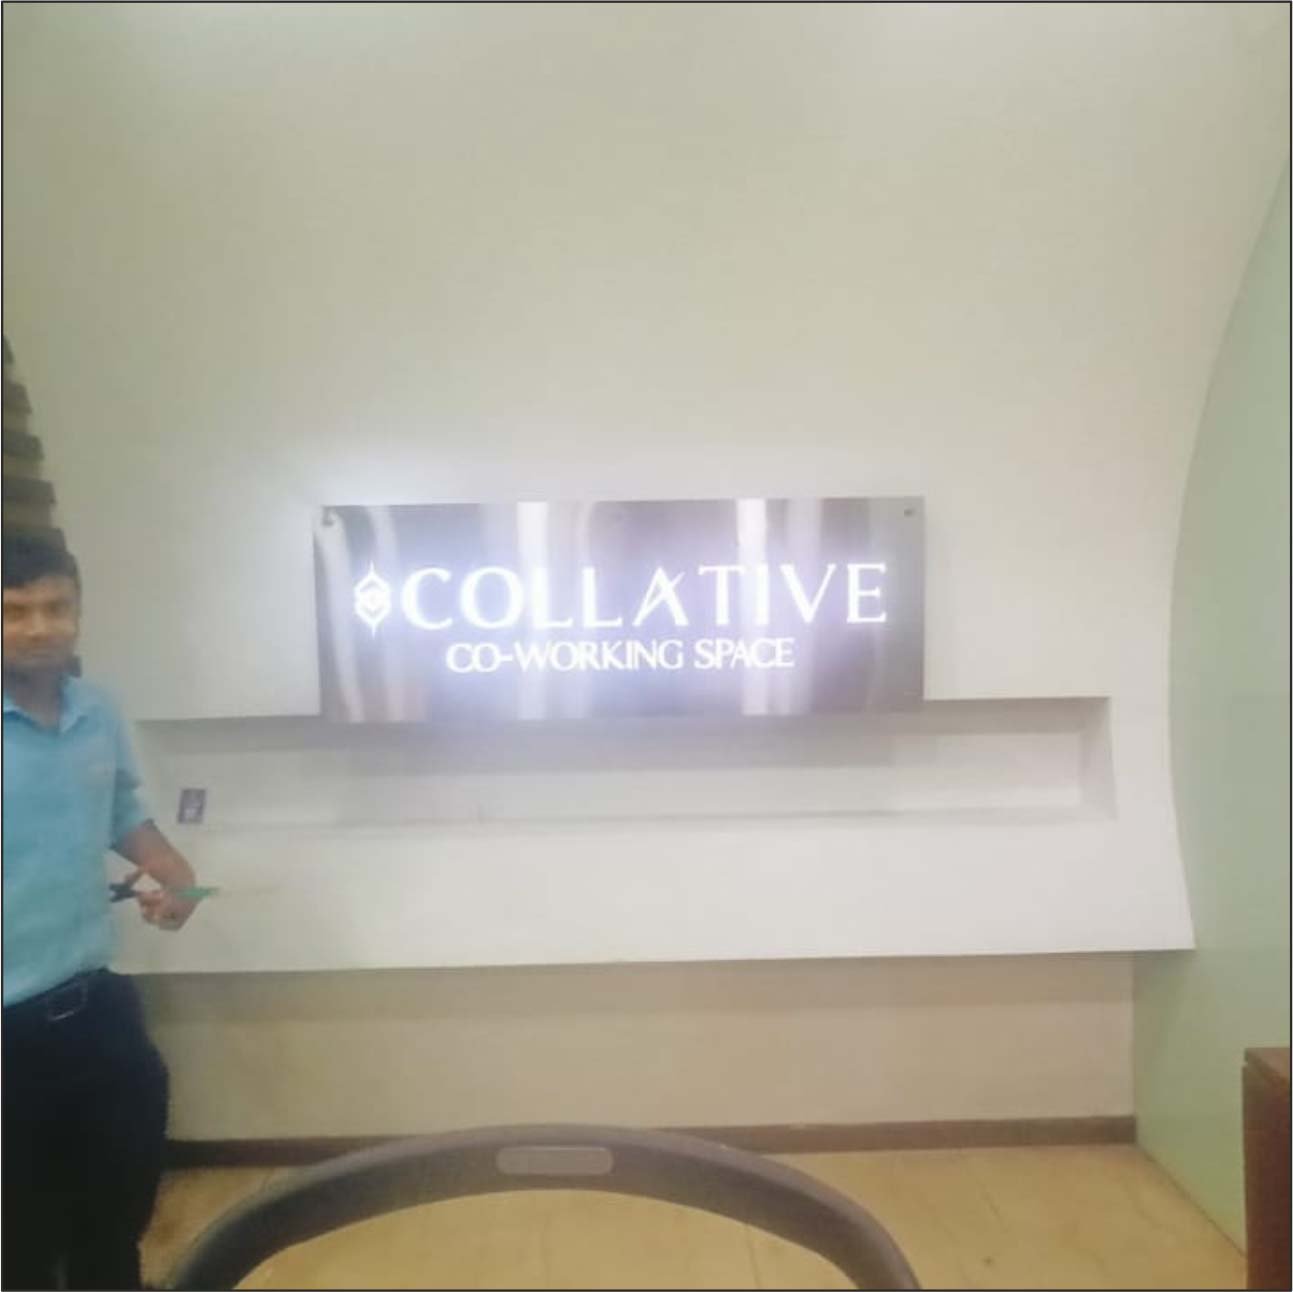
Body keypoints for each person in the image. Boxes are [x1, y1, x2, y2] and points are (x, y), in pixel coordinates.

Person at [3, 533, 204, 1290]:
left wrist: (172, 871)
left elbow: (116, 805)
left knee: (118, 1204)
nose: (39, 627)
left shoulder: (96, 709)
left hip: (94, 1002)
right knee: (20, 1237)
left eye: (56, 607)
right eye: (13, 611)